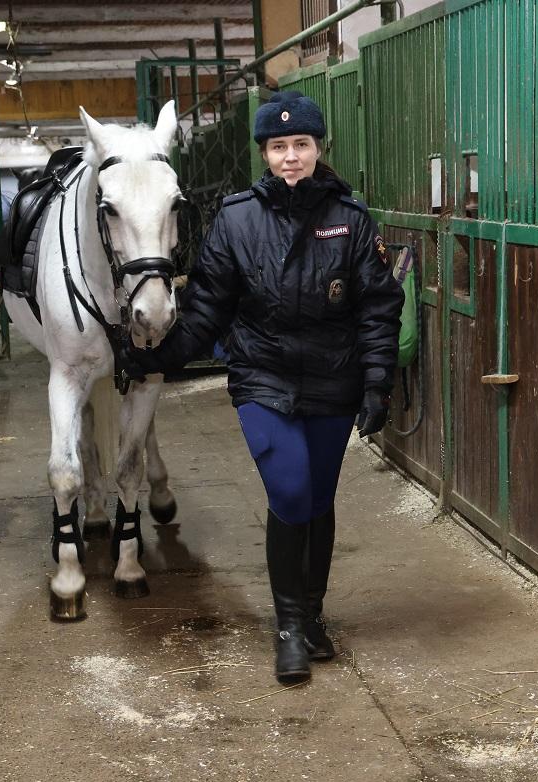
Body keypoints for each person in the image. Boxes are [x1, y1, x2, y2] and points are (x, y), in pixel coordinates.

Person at [130, 91, 403, 682]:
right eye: (278, 147)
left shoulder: (350, 221)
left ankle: (312, 617)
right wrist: (159, 359)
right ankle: (287, 629)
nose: (290, 157)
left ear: (318, 148)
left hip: (334, 378)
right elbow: (205, 307)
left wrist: (379, 380)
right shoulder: (236, 219)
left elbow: (378, 307)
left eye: (300, 145)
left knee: (320, 501)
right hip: (263, 377)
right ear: (264, 154)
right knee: (292, 489)